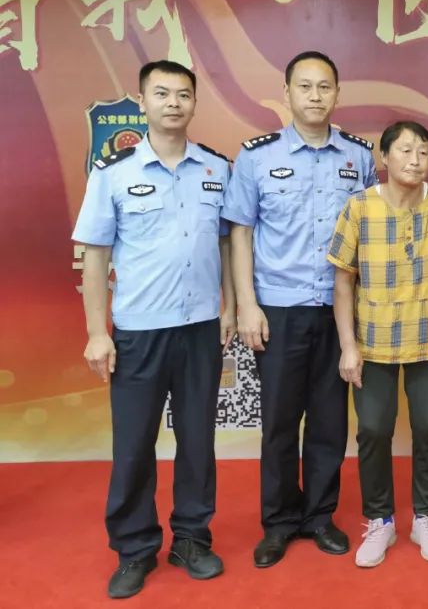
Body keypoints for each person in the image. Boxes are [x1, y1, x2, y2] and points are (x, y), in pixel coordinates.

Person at [74, 60, 235, 599]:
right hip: (139, 332)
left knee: (198, 442)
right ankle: (135, 548)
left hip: (200, 329)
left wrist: (231, 307)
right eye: (161, 94)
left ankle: (192, 538)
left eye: (183, 94)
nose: (173, 103)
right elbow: (95, 256)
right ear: (141, 102)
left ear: (194, 103)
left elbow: (228, 244)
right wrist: (98, 332)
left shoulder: (216, 169)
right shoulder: (113, 173)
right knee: (134, 446)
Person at [223, 51, 377, 568]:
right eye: (304, 86)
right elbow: (240, 233)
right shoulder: (256, 157)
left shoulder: (358, 156)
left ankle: (319, 516)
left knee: (330, 422)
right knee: (279, 423)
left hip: (337, 311)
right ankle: (280, 522)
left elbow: (370, 234)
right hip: (279, 309)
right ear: (286, 93)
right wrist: (247, 304)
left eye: (324, 86)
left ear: (337, 94)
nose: (315, 96)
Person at [328, 120, 428, 568]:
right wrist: (348, 345)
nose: (415, 159)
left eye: (423, 151)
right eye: (406, 150)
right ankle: (380, 520)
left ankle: (425, 517)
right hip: (373, 343)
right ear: (384, 157)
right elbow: (342, 280)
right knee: (373, 430)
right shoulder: (359, 207)